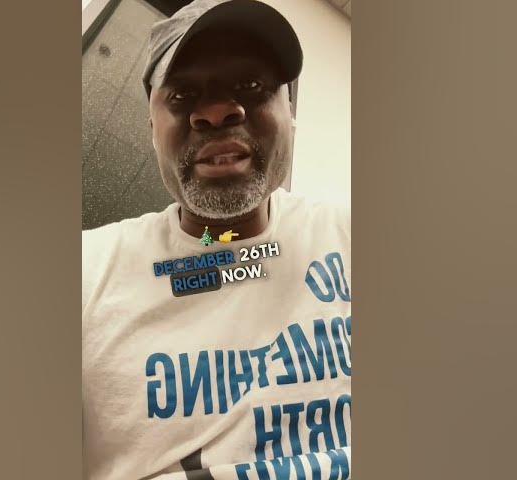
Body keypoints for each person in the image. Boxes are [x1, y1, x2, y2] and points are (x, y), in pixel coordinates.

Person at [82, 1, 351, 479]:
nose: (217, 111)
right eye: (182, 95)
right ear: (152, 129)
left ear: (290, 112)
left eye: (251, 86)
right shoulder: (84, 274)